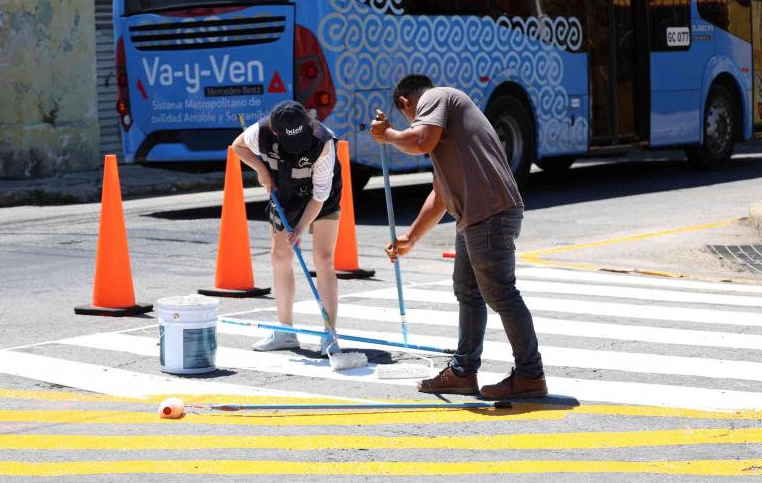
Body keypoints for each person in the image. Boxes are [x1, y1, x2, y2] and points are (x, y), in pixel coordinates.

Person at [370, 74, 547, 399]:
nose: (412, 124)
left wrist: (390, 136)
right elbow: (440, 193)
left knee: (500, 293)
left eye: (408, 119)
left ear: (406, 103)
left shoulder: (435, 98)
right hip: (475, 217)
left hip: (489, 213)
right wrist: (411, 238)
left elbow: (419, 140)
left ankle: (530, 374)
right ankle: (463, 372)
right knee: (468, 291)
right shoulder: (446, 132)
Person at [232, 100, 343, 356]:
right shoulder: (260, 131)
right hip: (284, 192)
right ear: (274, 131)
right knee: (280, 256)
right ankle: (285, 330)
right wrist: (261, 170)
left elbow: (320, 195)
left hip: (320, 197)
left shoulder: (323, 141)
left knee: (324, 259)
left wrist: (301, 227)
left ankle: (330, 332)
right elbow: (238, 146)